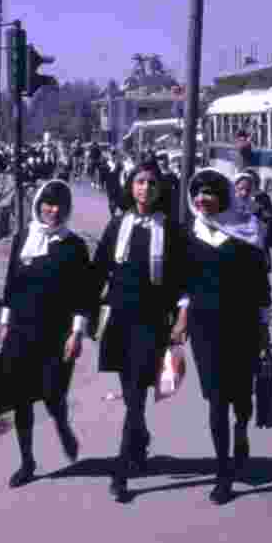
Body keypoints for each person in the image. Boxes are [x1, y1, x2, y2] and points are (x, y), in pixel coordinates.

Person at [172, 169, 270, 504]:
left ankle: (241, 430)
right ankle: (223, 473)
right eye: (197, 192)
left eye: (209, 192)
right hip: (204, 327)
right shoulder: (188, 234)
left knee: (241, 396)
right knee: (215, 398)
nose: (202, 198)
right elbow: (183, 282)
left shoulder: (248, 231)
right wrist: (182, 317)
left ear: (224, 196)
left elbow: (260, 284)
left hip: (241, 324)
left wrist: (264, 326)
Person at [92, 159, 186, 501]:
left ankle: (121, 472)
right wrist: (84, 315)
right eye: (139, 182)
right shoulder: (117, 225)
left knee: (135, 399)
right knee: (132, 396)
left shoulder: (171, 229)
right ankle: (141, 436)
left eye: (151, 183)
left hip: (153, 322)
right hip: (120, 321)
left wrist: (181, 317)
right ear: (130, 187)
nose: (144, 188)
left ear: (160, 190)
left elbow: (182, 279)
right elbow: (98, 271)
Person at [0, 179, 91, 488]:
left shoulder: (74, 245)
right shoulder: (24, 237)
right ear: (38, 204)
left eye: (60, 206)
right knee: (20, 398)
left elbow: (83, 294)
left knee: (53, 393)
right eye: (48, 204)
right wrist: (4, 325)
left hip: (56, 331)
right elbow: (11, 283)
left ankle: (62, 423)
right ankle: (27, 462)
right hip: (21, 329)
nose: (53, 211)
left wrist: (76, 333)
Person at [235, 170, 272, 271]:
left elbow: (270, 220)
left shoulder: (260, 200)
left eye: (248, 187)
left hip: (257, 248)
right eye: (241, 188)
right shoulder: (230, 204)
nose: (244, 192)